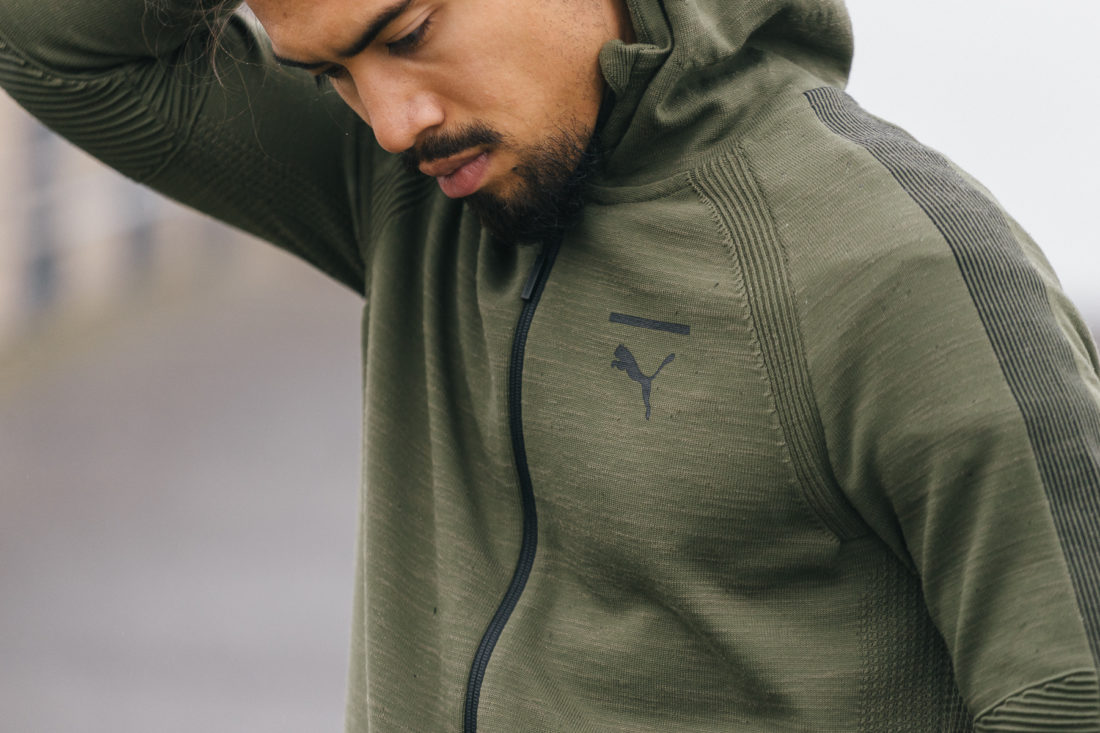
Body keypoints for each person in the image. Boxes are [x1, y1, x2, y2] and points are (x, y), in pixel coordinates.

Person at [2, 0, 1099, 729]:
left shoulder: (908, 273)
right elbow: (43, 42)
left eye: (408, 31)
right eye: (332, 73)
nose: (391, 121)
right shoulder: (409, 196)